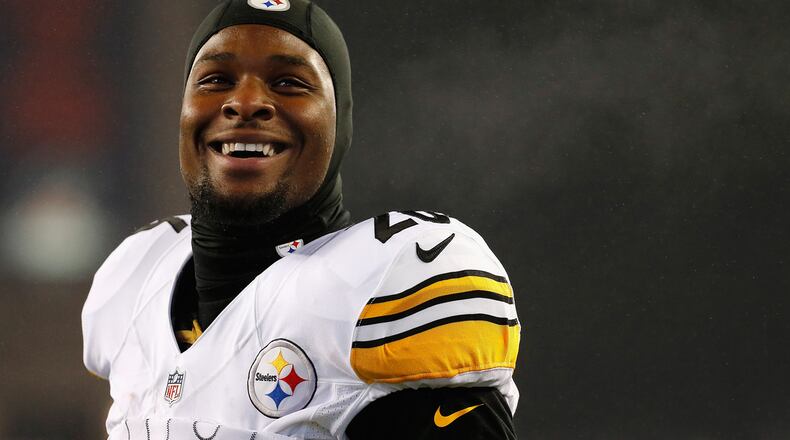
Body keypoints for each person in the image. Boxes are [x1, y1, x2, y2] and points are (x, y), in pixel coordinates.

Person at [82, 0, 521, 438]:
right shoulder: (137, 277)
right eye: (216, 79)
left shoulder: (385, 282)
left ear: (339, 120)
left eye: (288, 82)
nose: (245, 102)